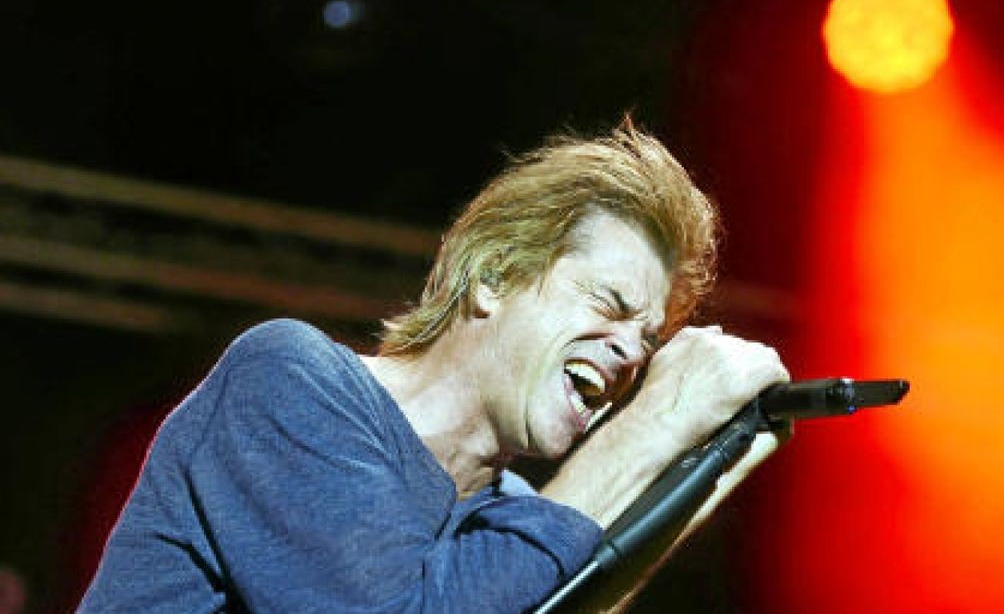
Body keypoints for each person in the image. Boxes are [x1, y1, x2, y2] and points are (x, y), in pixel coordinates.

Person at [78, 121, 789, 613]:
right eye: (608, 302)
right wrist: (653, 426)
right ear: (494, 277)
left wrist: (716, 467)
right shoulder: (289, 381)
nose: (634, 351)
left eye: (648, 337)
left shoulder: (503, 517)